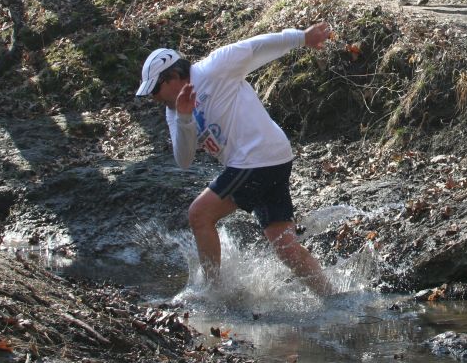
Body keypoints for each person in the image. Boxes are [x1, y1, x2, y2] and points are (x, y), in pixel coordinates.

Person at [136, 25, 333, 296]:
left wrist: (302, 38)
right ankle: (333, 296)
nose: (153, 98)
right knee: (286, 249)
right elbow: (184, 159)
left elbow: (257, 47)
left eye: (155, 89)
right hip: (269, 159)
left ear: (172, 77)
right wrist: (184, 117)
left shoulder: (213, 68)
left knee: (199, 214)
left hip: (257, 158)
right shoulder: (174, 111)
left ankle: (214, 294)